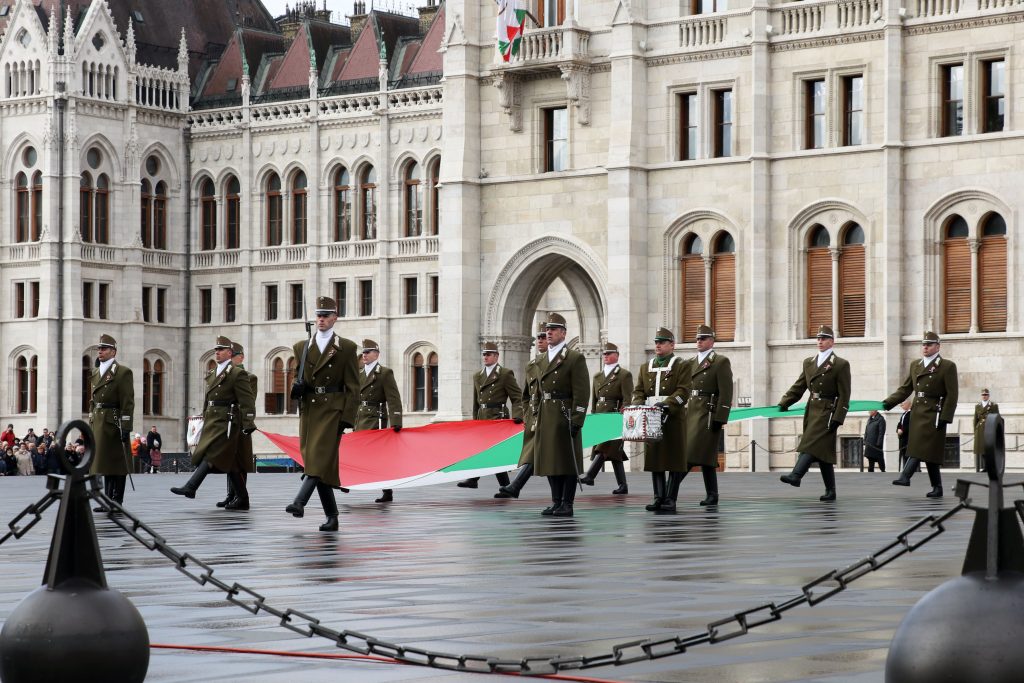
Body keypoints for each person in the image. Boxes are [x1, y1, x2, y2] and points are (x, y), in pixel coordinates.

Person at [286, 296, 360, 531]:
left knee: (317, 458)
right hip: (310, 410)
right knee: (319, 463)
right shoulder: (302, 347)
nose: (321, 319)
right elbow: (300, 378)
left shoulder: (346, 347)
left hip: (332, 409)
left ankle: (299, 502)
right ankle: (332, 517)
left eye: (326, 315)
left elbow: (354, 386)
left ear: (335, 318)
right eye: (319, 315)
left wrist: (347, 417)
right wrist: (296, 388)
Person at [171, 336, 256, 510]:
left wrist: (248, 422)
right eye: (216, 350)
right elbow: (208, 398)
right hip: (213, 420)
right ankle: (242, 499)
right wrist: (203, 416)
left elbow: (247, 401)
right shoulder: (212, 373)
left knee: (212, 454)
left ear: (229, 353)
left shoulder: (237, 373)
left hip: (228, 422)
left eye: (221, 350)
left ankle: (191, 486)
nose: (216, 352)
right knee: (231, 463)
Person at [777, 325, 851, 502]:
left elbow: (845, 394)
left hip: (828, 410)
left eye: (824, 338)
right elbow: (800, 386)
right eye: (818, 338)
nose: (820, 341)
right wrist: (785, 402)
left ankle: (796, 475)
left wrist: (839, 417)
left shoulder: (840, 364)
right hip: (812, 409)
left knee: (810, 443)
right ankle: (830, 491)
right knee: (823, 453)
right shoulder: (809, 362)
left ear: (832, 342)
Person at [883, 331, 958, 498]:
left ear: (937, 347)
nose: (925, 347)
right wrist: (888, 402)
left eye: (929, 344)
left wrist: (946, 416)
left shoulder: (947, 366)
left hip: (934, 412)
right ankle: (937, 488)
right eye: (923, 344)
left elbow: (952, 394)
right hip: (917, 412)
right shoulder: (915, 365)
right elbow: (905, 389)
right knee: (928, 452)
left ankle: (905, 476)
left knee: (920, 446)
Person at [533, 312, 590, 517]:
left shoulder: (574, 358)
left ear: (563, 333)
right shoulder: (540, 359)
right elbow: (537, 391)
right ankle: (556, 501)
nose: (549, 332)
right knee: (550, 461)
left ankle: (567, 503)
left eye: (554, 329)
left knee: (566, 461)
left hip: (564, 413)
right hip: (546, 414)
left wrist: (577, 419)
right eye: (547, 330)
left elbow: (582, 392)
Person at [630, 327, 690, 513]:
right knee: (655, 460)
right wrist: (638, 404)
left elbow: (683, 391)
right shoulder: (645, 367)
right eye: (656, 342)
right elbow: (639, 390)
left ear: (672, 345)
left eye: (662, 342)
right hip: (651, 417)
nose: (658, 345)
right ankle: (658, 497)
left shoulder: (681, 365)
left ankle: (670, 498)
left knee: (674, 459)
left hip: (672, 418)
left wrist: (667, 404)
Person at [459, 341, 524, 496]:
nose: (485, 357)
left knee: (494, 453)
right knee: (484, 451)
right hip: (483, 418)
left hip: (498, 418)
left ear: (496, 356)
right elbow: (476, 402)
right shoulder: (477, 376)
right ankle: (500, 484)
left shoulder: (505, 374)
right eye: (484, 354)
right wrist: (475, 421)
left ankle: (477, 480)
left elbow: (517, 397)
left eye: (488, 354)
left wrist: (518, 415)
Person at [679, 325, 733, 508]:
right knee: (707, 457)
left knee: (692, 453)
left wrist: (721, 417)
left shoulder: (720, 361)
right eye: (697, 339)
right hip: (692, 412)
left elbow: (726, 392)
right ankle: (712, 494)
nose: (699, 341)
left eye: (703, 338)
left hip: (708, 414)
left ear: (712, 341)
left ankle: (669, 491)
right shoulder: (689, 363)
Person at [497, 323, 548, 499]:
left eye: (544, 337)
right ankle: (515, 486)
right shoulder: (532, 365)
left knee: (545, 455)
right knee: (539, 454)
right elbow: (526, 395)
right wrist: (526, 415)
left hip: (551, 416)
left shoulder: (560, 362)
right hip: (535, 418)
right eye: (539, 337)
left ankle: (515, 486)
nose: (541, 340)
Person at [88, 334, 135, 511]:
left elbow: (128, 402)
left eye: (104, 348)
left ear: (113, 352)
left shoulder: (122, 372)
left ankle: (117, 500)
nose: (100, 351)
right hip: (99, 419)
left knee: (118, 461)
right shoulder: (95, 372)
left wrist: (126, 425)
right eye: (99, 348)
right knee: (104, 461)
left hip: (113, 420)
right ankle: (107, 500)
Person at [580, 342, 633, 495]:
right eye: (604, 354)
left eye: (609, 354)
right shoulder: (597, 376)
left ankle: (590, 476)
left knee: (604, 448)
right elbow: (595, 398)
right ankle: (623, 485)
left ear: (616, 355)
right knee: (614, 453)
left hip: (615, 415)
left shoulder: (624, 374)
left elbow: (628, 397)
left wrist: (625, 412)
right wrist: (594, 415)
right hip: (601, 416)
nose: (606, 356)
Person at [355, 339, 404, 504]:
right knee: (356, 452)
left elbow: (393, 398)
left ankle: (387, 490)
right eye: (363, 352)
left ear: (376, 354)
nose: (365, 355)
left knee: (379, 457)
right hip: (360, 418)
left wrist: (396, 420)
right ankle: (349, 481)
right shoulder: (359, 374)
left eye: (368, 352)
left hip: (376, 419)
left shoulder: (384, 373)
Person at [217, 343, 258, 507]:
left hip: (239, 424)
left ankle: (239, 495)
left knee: (240, 461)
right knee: (229, 459)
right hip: (226, 423)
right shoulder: (224, 376)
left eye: (233, 356)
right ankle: (230, 494)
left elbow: (248, 400)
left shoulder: (249, 377)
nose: (230, 359)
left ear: (240, 357)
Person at [973, 388, 999, 467]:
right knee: (981, 449)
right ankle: (985, 467)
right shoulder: (978, 406)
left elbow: (997, 417)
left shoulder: (993, 406)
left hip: (989, 428)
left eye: (986, 395)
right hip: (980, 429)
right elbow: (975, 419)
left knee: (989, 449)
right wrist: (975, 430)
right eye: (983, 395)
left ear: (988, 396)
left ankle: (990, 467)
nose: (984, 396)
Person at [897, 400, 912, 470]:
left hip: (908, 439)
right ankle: (905, 469)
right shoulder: (904, 414)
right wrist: (898, 429)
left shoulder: (911, 413)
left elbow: (910, 426)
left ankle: (907, 470)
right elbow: (900, 424)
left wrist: (902, 431)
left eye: (902, 404)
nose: (901, 406)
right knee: (904, 455)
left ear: (907, 404)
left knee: (908, 456)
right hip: (902, 439)